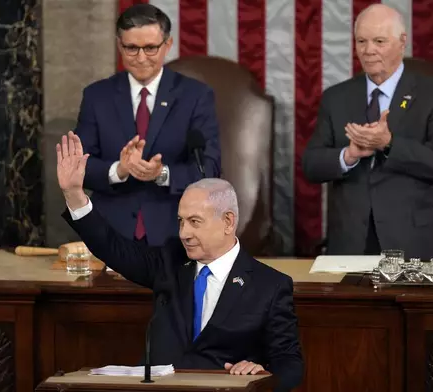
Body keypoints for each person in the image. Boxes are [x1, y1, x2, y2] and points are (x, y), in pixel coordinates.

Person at [56, 131, 304, 391]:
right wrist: (75, 194)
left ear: (228, 222)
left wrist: (262, 373)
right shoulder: (170, 261)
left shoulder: (269, 286)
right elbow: (114, 248)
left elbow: (290, 363)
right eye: (181, 222)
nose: (184, 233)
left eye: (195, 222)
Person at [302, 4, 433, 261]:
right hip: (351, 245)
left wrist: (389, 144)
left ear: (402, 42)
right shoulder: (336, 98)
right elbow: (311, 165)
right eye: (361, 41)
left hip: (416, 245)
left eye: (379, 41)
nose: (368, 50)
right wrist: (348, 155)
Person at [74, 3, 221, 246]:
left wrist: (161, 174)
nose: (141, 58)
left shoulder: (195, 96)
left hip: (176, 233)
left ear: (168, 45)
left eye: (151, 48)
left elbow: (210, 168)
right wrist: (118, 170)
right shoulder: (96, 96)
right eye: (132, 48)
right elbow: (81, 168)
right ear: (120, 45)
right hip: (109, 234)